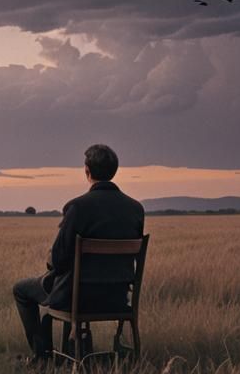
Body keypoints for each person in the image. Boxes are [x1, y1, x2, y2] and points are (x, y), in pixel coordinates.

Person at [13, 143, 145, 361]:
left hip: (78, 298)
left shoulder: (78, 207)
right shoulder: (135, 208)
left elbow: (59, 260)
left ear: (87, 171)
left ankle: (42, 357)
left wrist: (51, 263)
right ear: (114, 171)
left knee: (21, 289)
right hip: (117, 298)